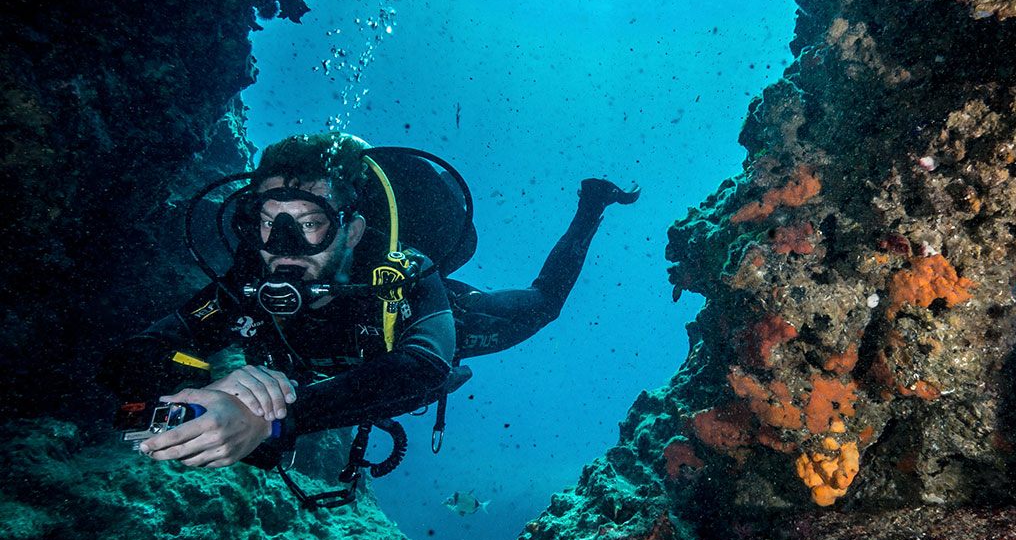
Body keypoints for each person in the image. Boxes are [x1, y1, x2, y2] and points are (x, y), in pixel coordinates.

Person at [100, 132, 637, 488]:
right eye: (268, 223)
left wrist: (269, 423)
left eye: (310, 224)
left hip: (421, 326)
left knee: (543, 307)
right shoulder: (244, 288)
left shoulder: (404, 271)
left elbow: (424, 369)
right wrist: (204, 389)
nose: (283, 247)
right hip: (331, 385)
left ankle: (591, 205)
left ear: (352, 231)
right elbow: (127, 364)